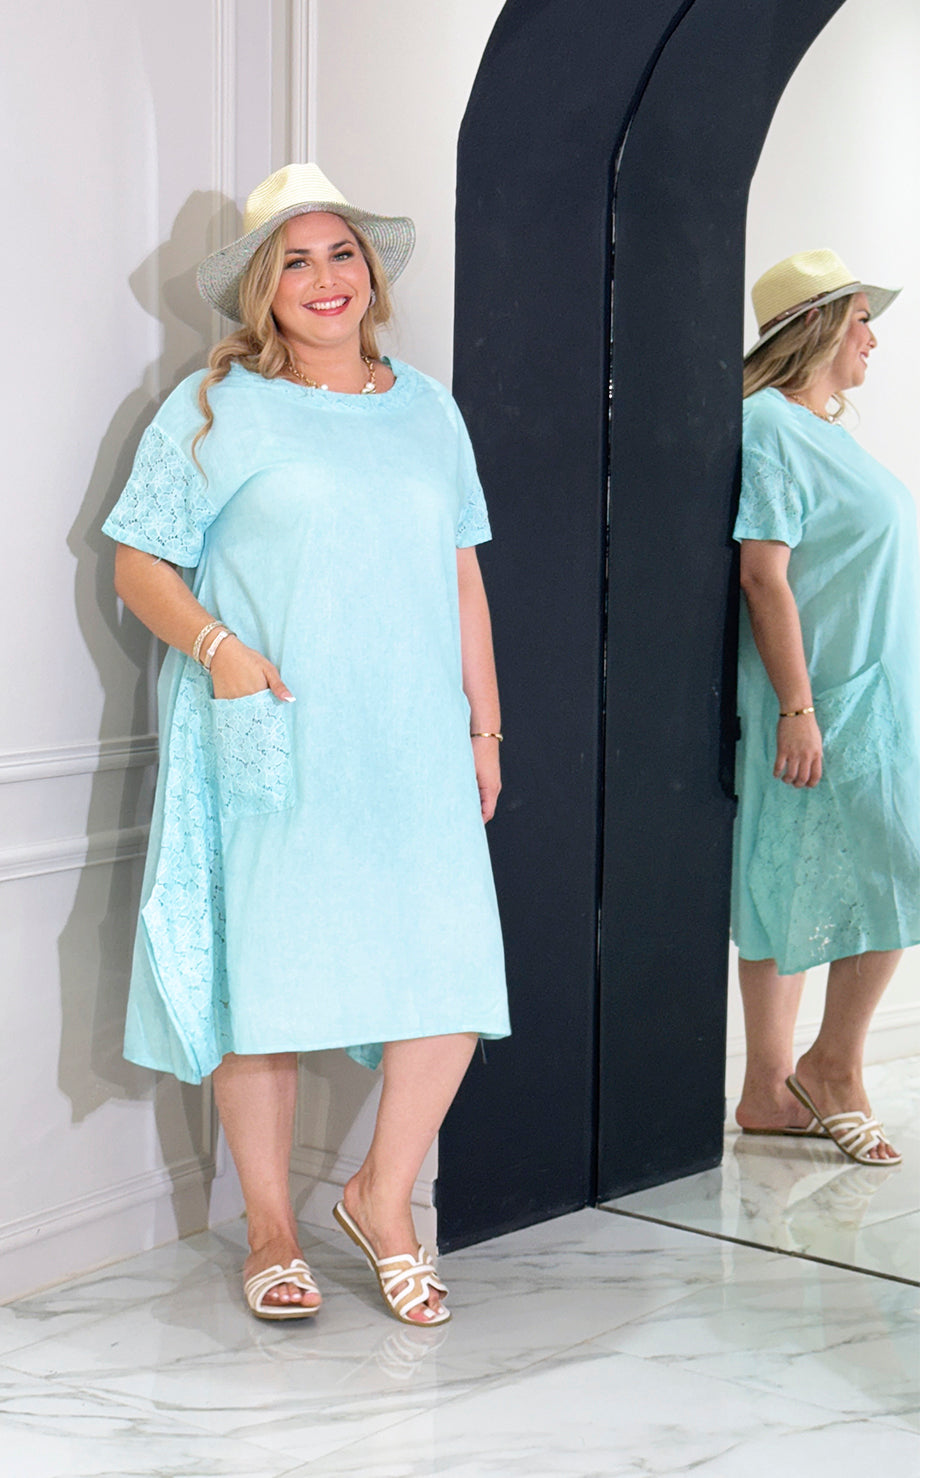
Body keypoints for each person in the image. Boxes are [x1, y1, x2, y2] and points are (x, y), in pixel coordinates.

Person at [103, 163, 510, 1324]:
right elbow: (139, 562)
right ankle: (271, 1225)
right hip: (275, 729)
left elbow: (462, 576)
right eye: (294, 260)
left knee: (449, 972)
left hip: (413, 738)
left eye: (341, 253)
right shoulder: (214, 405)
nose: (324, 278)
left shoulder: (428, 408)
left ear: (370, 272)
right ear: (261, 289)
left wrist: (484, 724)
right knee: (267, 978)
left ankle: (382, 1196)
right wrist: (221, 649)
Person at [731, 248, 918, 1166]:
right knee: (884, 868)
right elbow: (763, 574)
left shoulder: (821, 430)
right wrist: (798, 708)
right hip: (823, 698)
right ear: (818, 329)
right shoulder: (768, 424)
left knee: (802, 874)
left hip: (865, 691)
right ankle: (830, 1067)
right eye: (861, 321)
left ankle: (771, 1090)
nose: (873, 340)